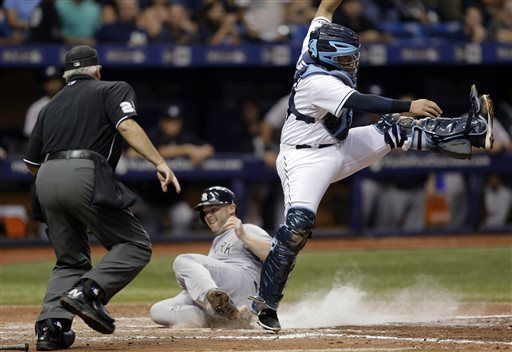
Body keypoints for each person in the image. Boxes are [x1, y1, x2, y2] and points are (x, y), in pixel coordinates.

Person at [248, 0, 494, 333]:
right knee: (297, 226)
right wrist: (409, 104)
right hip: (303, 159)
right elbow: (360, 102)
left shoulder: (316, 40)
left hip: (339, 143)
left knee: (396, 130)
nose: (352, 63)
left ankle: (473, 129)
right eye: (346, 58)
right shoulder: (317, 81)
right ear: (331, 57)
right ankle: (265, 304)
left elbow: (325, 7)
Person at [23, 45, 180, 351]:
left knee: (70, 259)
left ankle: (51, 328)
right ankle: (90, 292)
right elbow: (126, 125)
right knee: (135, 245)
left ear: (66, 75)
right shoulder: (112, 88)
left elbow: (30, 162)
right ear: (96, 71)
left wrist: (61, 191)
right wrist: (159, 162)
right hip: (84, 171)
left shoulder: (48, 106)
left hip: (45, 178)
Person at [150, 186, 272, 328]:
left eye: (214, 209)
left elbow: (277, 257)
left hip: (244, 283)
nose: (208, 215)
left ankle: (214, 302)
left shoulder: (248, 228)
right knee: (158, 310)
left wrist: (244, 236)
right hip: (229, 296)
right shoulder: (217, 241)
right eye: (205, 212)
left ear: (231, 208)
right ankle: (228, 318)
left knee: (184, 260)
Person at [24, 66, 64, 138]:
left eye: (55, 80)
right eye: (50, 81)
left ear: (61, 82)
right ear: (44, 84)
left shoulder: (69, 102)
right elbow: (29, 133)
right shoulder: (36, 107)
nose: (53, 84)